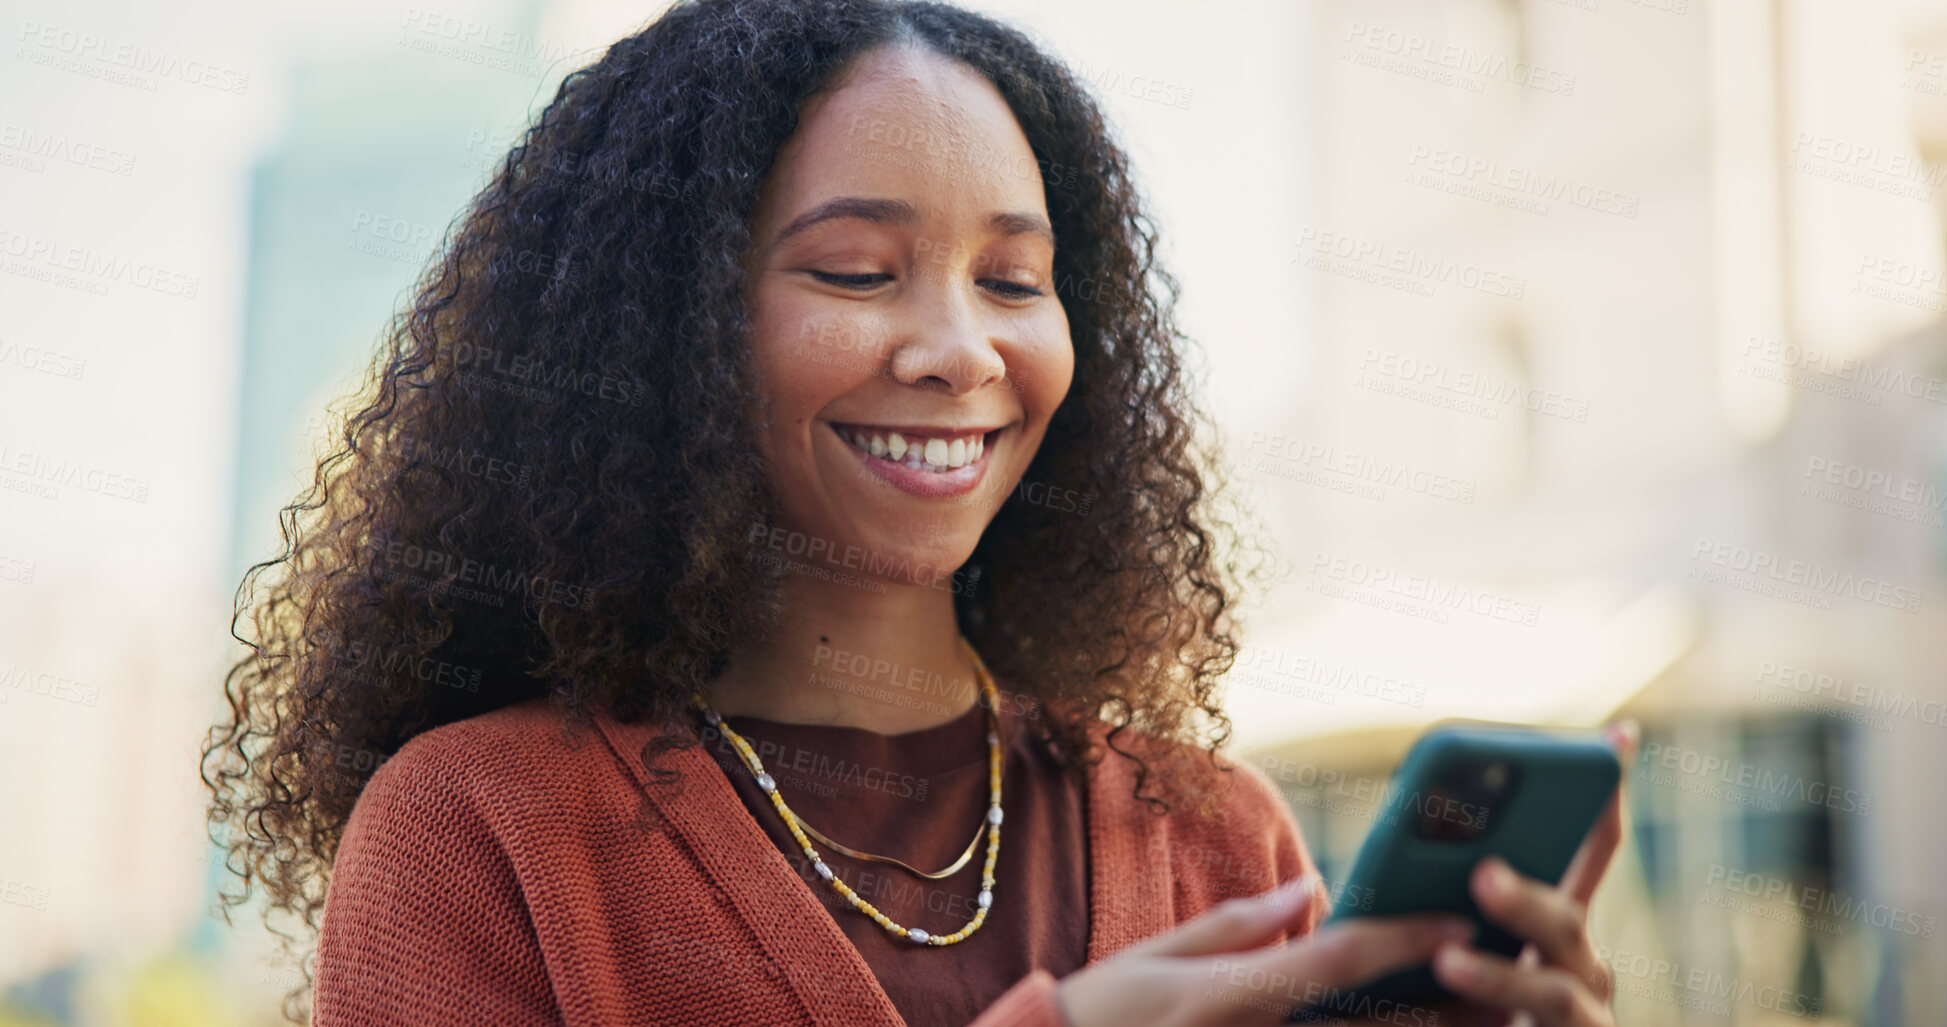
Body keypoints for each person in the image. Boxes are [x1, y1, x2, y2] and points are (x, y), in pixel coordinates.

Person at [201, 1, 1631, 1024]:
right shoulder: (479, 833)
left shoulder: (1216, 839)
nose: (962, 348)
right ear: (661, 333)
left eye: (1014, 281)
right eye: (857, 270)